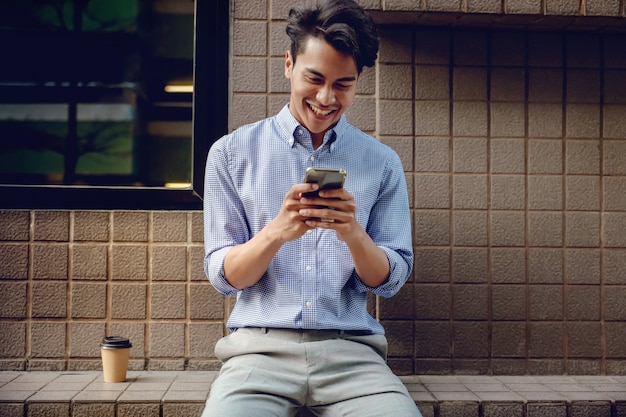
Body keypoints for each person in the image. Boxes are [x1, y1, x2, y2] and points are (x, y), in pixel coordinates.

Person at [202, 0, 421, 416]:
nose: (325, 97)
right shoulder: (231, 154)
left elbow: (389, 281)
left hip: (353, 355)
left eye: (343, 84)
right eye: (314, 78)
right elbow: (225, 278)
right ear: (289, 63)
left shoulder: (381, 161)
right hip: (257, 354)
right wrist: (275, 233)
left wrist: (353, 234)